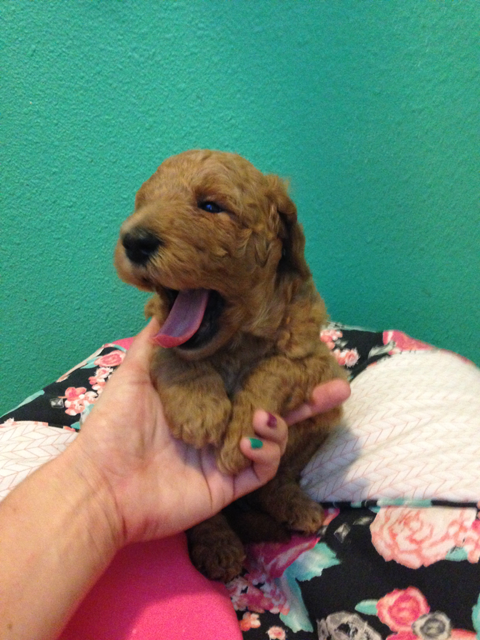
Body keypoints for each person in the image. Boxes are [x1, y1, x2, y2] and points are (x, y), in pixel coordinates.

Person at [0, 319, 350, 640]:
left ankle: (273, 489)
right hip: (178, 463)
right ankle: (212, 523)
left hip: (242, 460)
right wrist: (101, 480)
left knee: (276, 435)